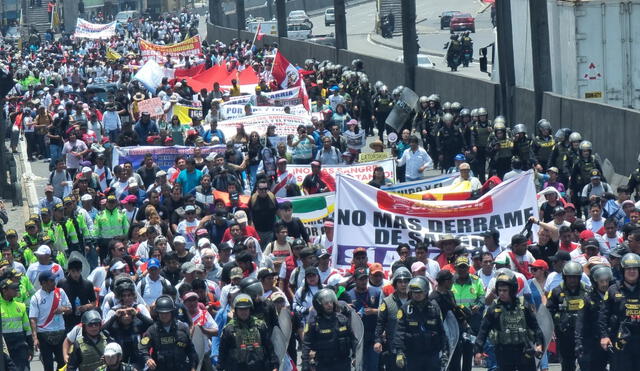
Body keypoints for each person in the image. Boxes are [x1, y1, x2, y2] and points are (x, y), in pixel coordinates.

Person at [473, 270, 544, 371]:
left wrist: (539, 344)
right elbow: (483, 331)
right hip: (503, 352)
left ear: (512, 290)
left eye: (505, 290)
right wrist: (478, 351)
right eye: (500, 290)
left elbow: (535, 327)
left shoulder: (523, 306)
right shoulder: (494, 308)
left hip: (524, 351)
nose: (501, 293)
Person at [392, 276, 447, 370]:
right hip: (412, 355)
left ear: (426, 292)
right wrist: (399, 352)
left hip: (432, 355)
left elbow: (441, 331)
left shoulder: (434, 308)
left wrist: (445, 351)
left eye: (419, 292)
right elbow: (399, 331)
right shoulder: (405, 308)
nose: (416, 295)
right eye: (414, 292)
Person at [599, 253, 640, 370]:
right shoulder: (613, 290)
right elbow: (603, 316)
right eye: (628, 269)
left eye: (635, 269)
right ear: (623, 270)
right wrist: (604, 336)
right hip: (621, 339)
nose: (632, 271)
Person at [218, 294, 278, 371]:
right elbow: (223, 351)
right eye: (241, 309)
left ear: (250, 309)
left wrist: (275, 365)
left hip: (259, 367)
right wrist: (220, 367)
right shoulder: (229, 329)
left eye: (246, 309)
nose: (244, 312)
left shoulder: (260, 326)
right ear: (236, 310)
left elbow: (269, 347)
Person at [301, 289, 357, 371]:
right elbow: (306, 344)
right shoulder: (314, 323)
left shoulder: (343, 319)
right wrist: (305, 364)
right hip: (323, 365)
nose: (329, 305)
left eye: (331, 302)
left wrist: (356, 357)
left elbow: (353, 339)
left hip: (343, 363)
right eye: (326, 303)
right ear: (319, 305)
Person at [139, 295, 198, 371]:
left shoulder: (183, 328)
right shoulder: (152, 330)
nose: (164, 315)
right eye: (161, 313)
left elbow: (191, 350)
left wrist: (193, 367)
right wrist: (147, 358)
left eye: (166, 313)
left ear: (172, 312)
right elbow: (142, 346)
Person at [546, 261, 587, 371]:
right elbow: (548, 311)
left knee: (586, 363)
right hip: (564, 334)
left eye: (575, 277)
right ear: (565, 277)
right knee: (567, 364)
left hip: (584, 334)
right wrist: (552, 329)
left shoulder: (588, 291)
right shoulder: (556, 292)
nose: (572, 280)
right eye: (570, 277)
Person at [29, 271, 72, 371]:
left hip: (60, 332)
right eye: (51, 281)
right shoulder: (36, 297)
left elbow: (70, 309)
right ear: (43, 283)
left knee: (62, 363)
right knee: (48, 365)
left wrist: (62, 309)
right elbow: (33, 319)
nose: (54, 283)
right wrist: (35, 338)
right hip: (44, 334)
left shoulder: (60, 292)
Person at [574, 265, 612, 371]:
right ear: (595, 282)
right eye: (601, 281)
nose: (605, 284)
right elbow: (580, 322)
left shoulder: (613, 295)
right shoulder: (587, 298)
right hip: (592, 342)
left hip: (610, 339)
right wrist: (578, 342)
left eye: (606, 281)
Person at [374, 267, 411, 370]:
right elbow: (380, 323)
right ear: (395, 283)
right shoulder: (387, 302)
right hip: (393, 349)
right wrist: (377, 341)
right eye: (400, 282)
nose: (403, 285)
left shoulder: (416, 301)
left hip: (413, 349)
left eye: (406, 281)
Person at [0, 277, 33, 371]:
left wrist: (30, 348)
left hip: (20, 346)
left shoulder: (21, 306)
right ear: (4, 290)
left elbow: (27, 329)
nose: (17, 290)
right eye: (13, 288)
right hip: (4, 347)